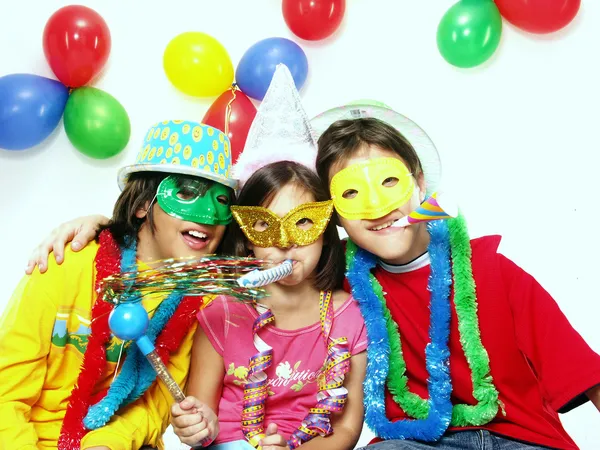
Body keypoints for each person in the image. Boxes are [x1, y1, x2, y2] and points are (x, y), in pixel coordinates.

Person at [309, 103, 600, 449]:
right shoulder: (343, 288)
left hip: (522, 439)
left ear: (419, 183)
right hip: (415, 441)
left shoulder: (493, 270)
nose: (377, 206)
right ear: (336, 216)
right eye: (352, 193)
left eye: (389, 182)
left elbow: (582, 371)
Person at [0, 119, 237, 449]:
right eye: (186, 193)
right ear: (143, 205)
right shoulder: (66, 263)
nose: (208, 215)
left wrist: (108, 444)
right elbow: (5, 394)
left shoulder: (205, 302)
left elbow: (155, 408)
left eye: (222, 201)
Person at [170, 65, 367, 450]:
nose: (285, 243)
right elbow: (205, 420)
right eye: (265, 227)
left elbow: (345, 430)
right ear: (246, 240)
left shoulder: (351, 316)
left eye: (302, 224)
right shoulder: (221, 313)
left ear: (326, 234)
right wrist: (197, 425)